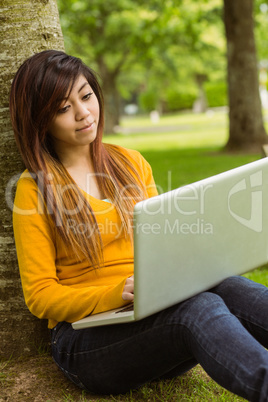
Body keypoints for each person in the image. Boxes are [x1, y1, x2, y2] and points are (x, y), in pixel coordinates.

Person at [9, 50, 268, 401]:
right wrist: (117, 294)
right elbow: (40, 297)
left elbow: (162, 242)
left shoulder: (129, 162)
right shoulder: (33, 188)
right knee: (199, 308)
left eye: (86, 96)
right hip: (84, 340)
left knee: (227, 286)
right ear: (41, 120)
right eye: (62, 108)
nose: (83, 113)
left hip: (153, 316)